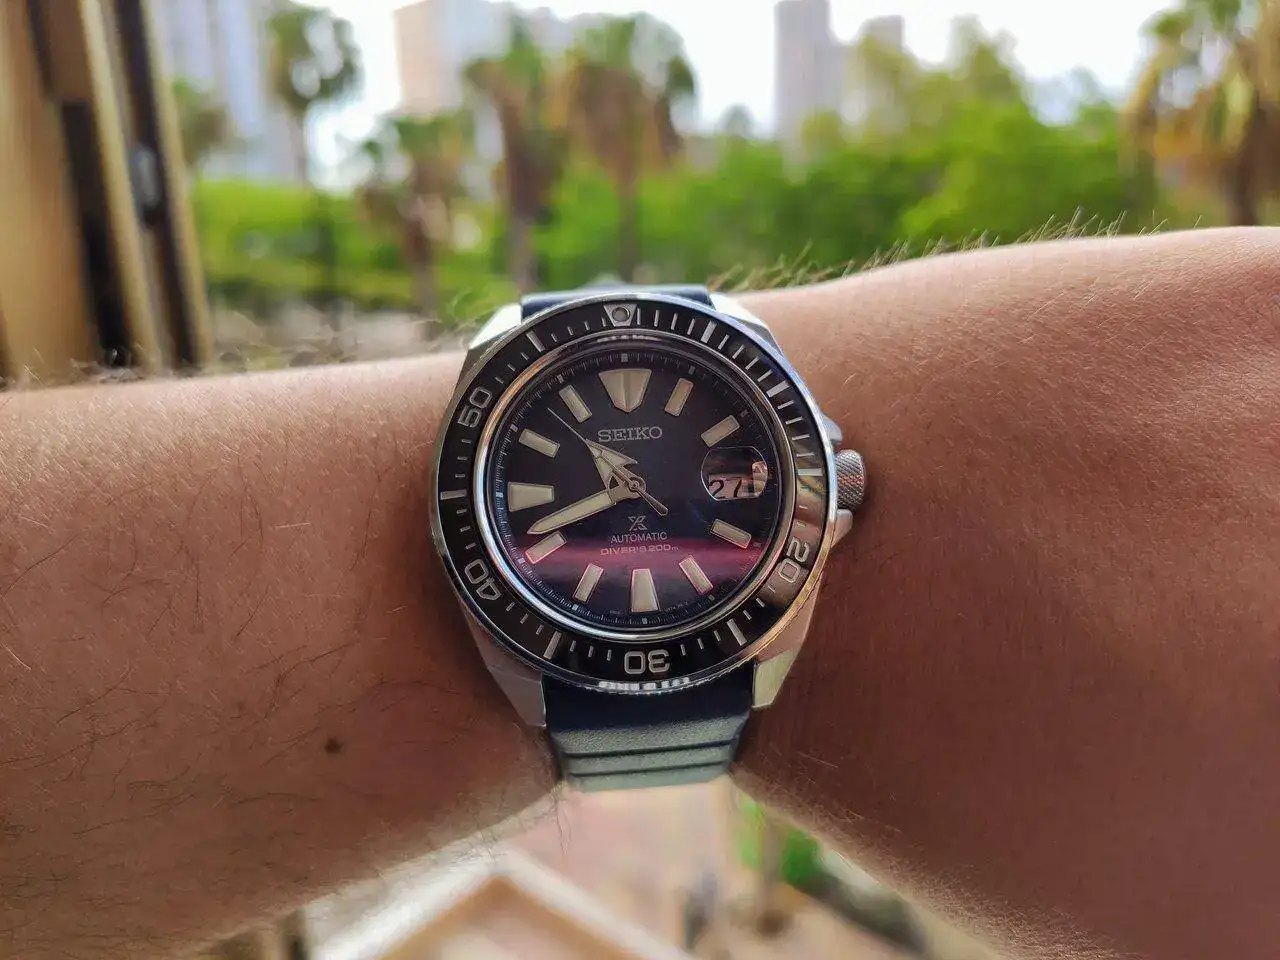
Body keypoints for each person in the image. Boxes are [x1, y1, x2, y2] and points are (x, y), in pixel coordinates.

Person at [1, 227, 1276, 960]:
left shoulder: (763, 490)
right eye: (608, 474)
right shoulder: (519, 475)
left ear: (828, 485)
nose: (625, 481)